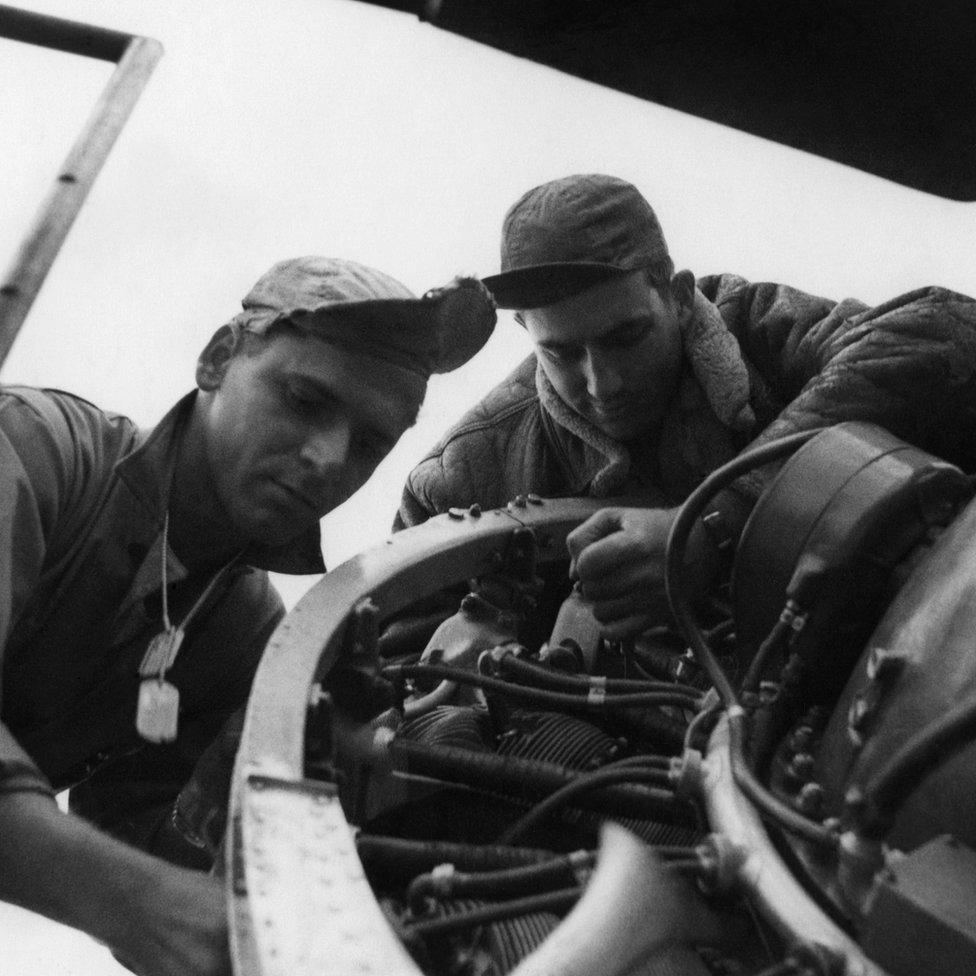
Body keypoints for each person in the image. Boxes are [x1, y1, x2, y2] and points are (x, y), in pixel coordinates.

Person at [0, 255, 495, 976]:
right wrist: (139, 902)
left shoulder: (243, 633)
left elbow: (149, 838)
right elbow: (147, 900)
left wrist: (276, 801)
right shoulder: (37, 450)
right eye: (304, 400)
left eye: (370, 444)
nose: (329, 460)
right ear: (218, 358)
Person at [396, 173, 976, 638]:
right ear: (525, 331)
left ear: (678, 297)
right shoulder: (459, 481)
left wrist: (712, 524)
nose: (604, 383)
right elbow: (385, 666)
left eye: (627, 337)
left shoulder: (760, 328)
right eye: (562, 353)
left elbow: (943, 334)